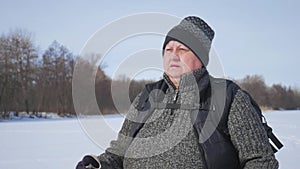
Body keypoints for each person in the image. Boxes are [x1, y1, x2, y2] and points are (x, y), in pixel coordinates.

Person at [76, 16, 279, 169]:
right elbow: (118, 152)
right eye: (168, 49)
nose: (173, 56)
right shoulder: (146, 97)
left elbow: (261, 161)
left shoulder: (228, 97)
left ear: (200, 57)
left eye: (182, 50)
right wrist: (98, 165)